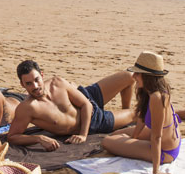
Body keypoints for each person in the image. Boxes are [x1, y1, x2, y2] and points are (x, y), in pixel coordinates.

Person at [7, 59, 138, 151]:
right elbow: (12, 137)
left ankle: (124, 111)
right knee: (136, 114)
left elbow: (86, 104)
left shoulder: (56, 83)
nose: (35, 86)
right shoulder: (27, 108)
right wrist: (39, 138)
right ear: (22, 85)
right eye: (29, 83)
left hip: (85, 97)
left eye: (36, 80)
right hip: (95, 121)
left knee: (130, 76)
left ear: (42, 75)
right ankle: (125, 116)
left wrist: (83, 135)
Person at [102, 51, 185, 174]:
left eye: (137, 73)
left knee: (107, 142)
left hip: (165, 152)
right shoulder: (154, 90)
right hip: (170, 140)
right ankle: (131, 141)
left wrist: (156, 170)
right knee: (115, 135)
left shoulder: (157, 97)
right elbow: (142, 118)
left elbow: (157, 137)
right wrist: (133, 138)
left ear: (147, 76)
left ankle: (145, 153)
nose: (133, 76)